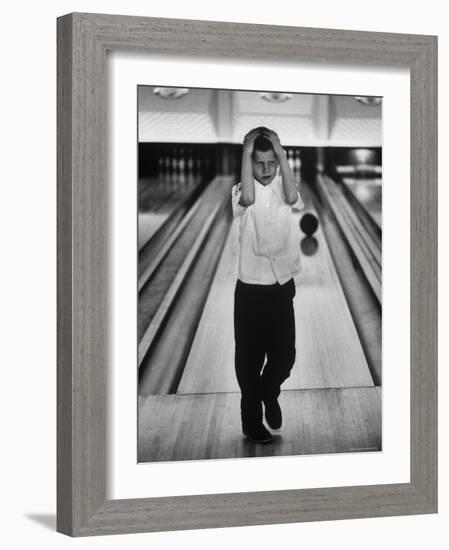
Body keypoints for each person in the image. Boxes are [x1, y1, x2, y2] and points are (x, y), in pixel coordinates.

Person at [231, 127, 305, 444]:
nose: (265, 170)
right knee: (249, 361)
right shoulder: (239, 191)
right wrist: (247, 150)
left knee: (285, 356)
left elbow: (291, 196)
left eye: (270, 163)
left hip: (281, 286)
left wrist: (281, 152)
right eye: (259, 163)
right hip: (250, 291)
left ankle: (268, 393)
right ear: (250, 163)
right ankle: (252, 423)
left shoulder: (285, 189)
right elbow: (248, 197)